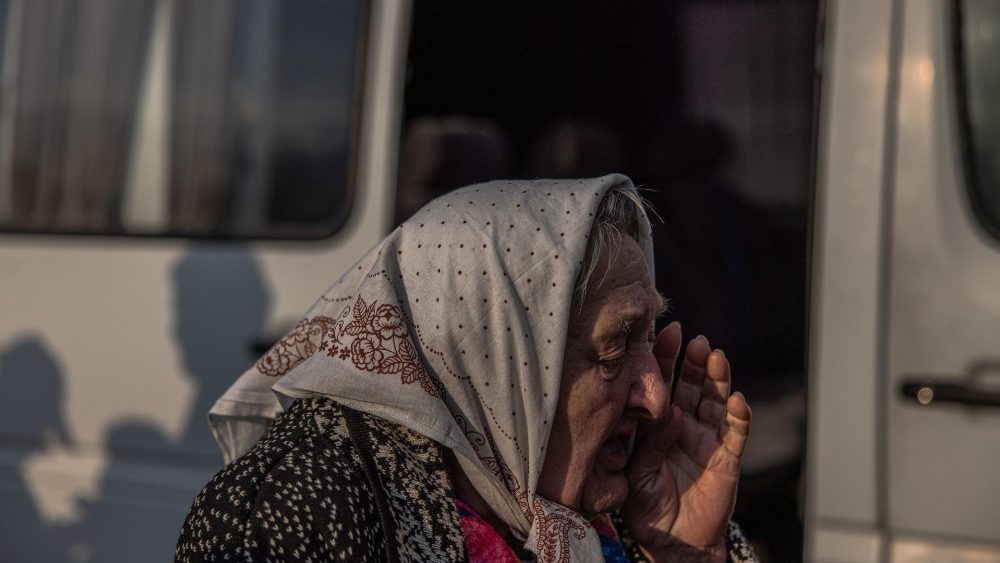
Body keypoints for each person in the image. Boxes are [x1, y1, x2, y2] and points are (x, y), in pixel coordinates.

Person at [175, 174, 755, 562]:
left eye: (648, 341)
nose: (655, 397)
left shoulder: (600, 516)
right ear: (500, 361)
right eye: (613, 349)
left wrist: (684, 553)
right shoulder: (300, 508)